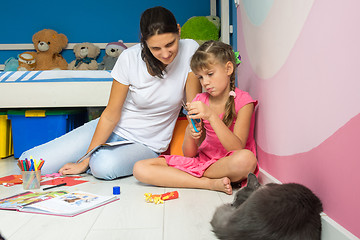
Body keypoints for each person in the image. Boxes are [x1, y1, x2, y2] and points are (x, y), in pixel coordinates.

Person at [20, 6, 201, 180]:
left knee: (103, 165)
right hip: (113, 129)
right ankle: (95, 153)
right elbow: (111, 114)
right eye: (155, 48)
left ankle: (98, 157)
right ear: (144, 41)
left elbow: (193, 105)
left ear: (178, 31)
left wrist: (197, 139)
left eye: (170, 44)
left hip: (146, 144)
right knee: (30, 161)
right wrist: (86, 158)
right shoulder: (129, 58)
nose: (165, 54)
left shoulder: (190, 49)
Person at [133, 40, 258, 195]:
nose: (205, 82)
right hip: (203, 162)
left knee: (246, 160)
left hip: (227, 163)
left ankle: (187, 178)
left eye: (210, 74)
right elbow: (189, 154)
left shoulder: (244, 101)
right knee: (140, 168)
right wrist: (190, 133)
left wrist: (211, 116)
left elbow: (236, 148)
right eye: (200, 77)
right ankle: (208, 183)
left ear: (228, 68)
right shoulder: (200, 100)